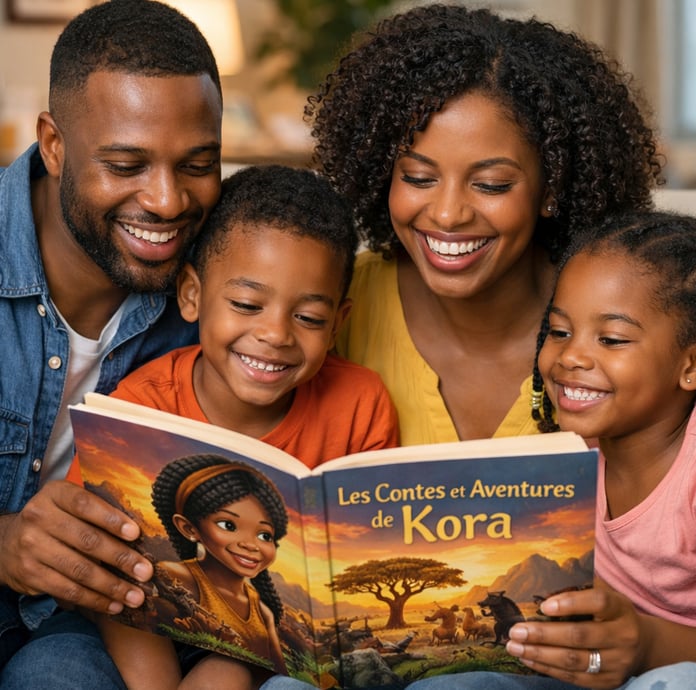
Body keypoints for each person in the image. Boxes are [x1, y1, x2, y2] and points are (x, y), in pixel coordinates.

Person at [410, 210, 696, 690]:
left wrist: (645, 645)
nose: (571, 356)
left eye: (612, 339)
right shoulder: (568, 455)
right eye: (559, 331)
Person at [305, 3, 664, 447]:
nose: (447, 213)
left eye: (491, 184)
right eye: (418, 178)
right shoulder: (333, 304)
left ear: (551, 188)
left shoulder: (619, 324)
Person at [0, 0, 225, 687]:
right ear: (54, 142)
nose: (166, 201)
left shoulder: (224, 290)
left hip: (103, 633)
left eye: (197, 164)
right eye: (126, 164)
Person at [66, 164, 399, 475]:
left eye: (309, 318)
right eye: (247, 304)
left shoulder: (360, 406)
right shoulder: (136, 413)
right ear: (191, 295)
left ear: (336, 326)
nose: (276, 334)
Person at [101, 454, 290, 690]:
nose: (251, 544)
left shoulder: (262, 611)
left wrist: (232, 669)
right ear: (188, 528)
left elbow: (280, 669)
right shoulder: (173, 578)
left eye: (264, 536)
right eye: (228, 525)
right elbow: (128, 618)